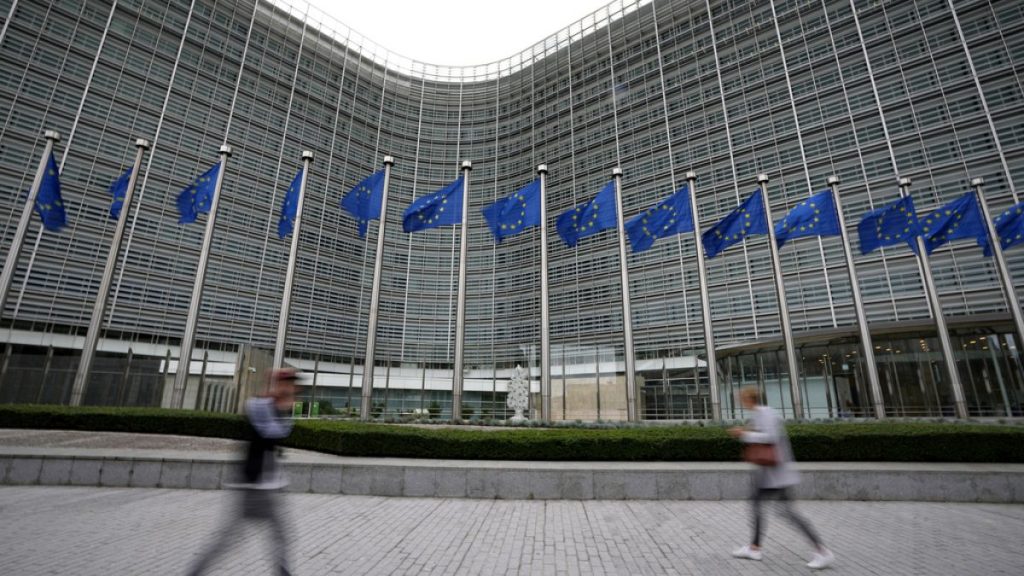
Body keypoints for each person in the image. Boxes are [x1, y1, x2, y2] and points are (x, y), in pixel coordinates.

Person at [188, 368, 299, 576]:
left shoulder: (276, 406)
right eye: (287, 383)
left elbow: (279, 435)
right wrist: (280, 406)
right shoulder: (260, 405)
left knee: (276, 536)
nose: (291, 387)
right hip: (253, 487)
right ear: (277, 384)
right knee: (236, 539)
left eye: (292, 383)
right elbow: (273, 432)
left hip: (264, 486)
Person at [728, 385, 835, 570]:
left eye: (742, 399)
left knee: (786, 512)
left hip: (777, 474)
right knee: (757, 505)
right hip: (768, 473)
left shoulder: (767, 414)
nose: (741, 403)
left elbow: (770, 437)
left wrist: (744, 434)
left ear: (750, 399)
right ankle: (754, 547)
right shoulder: (758, 414)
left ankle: (822, 551)